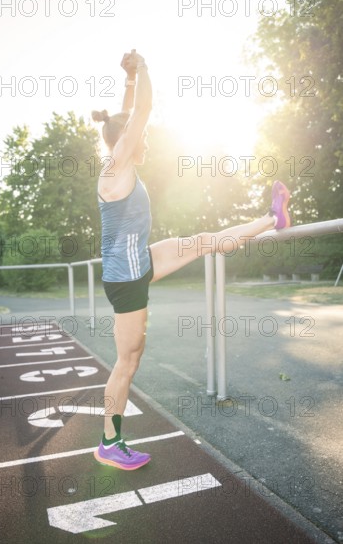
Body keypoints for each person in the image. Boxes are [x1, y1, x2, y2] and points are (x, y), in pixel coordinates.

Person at [91, 50, 291, 471]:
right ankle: (109, 442)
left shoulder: (119, 155)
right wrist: (143, 67)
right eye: (141, 136)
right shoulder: (115, 166)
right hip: (126, 280)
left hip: (139, 261)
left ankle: (272, 217)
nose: (147, 139)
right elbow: (141, 113)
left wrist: (128, 79)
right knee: (127, 361)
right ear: (127, 140)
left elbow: (129, 114)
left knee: (203, 241)